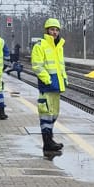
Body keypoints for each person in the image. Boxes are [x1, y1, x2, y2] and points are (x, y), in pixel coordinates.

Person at [30, 17, 67, 156]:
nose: (54, 32)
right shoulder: (40, 46)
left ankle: (50, 139)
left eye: (57, 30)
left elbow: (61, 66)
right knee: (46, 113)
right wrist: (47, 80)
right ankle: (47, 142)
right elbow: (37, 66)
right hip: (47, 86)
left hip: (57, 86)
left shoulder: (59, 47)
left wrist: (64, 79)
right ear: (46, 30)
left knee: (54, 113)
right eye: (52, 29)